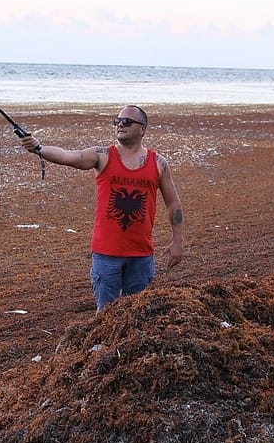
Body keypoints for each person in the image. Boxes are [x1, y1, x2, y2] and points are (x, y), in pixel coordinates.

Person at [20, 105, 184, 311]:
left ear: (142, 129)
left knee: (138, 314)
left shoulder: (158, 163)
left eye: (127, 121)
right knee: (105, 314)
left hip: (141, 255)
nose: (121, 124)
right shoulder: (102, 155)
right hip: (106, 254)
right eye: (118, 121)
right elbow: (70, 156)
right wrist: (39, 148)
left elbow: (173, 203)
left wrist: (177, 241)